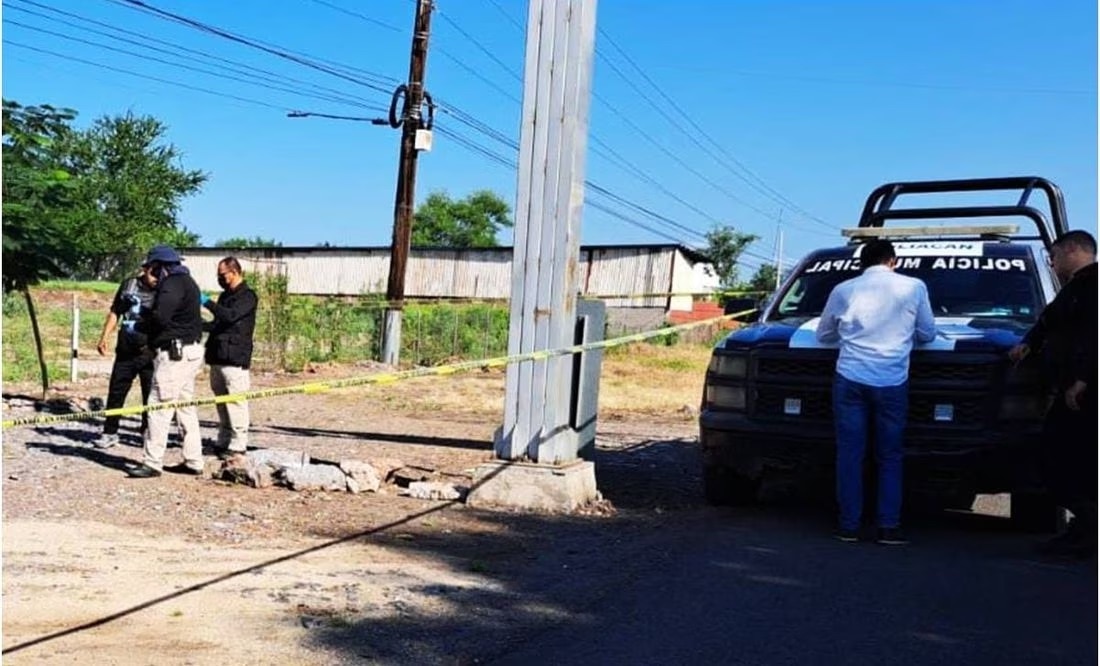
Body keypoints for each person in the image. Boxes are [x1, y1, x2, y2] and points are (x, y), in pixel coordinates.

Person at [815, 239, 936, 545]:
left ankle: (848, 526)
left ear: (861, 263)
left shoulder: (843, 290)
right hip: (893, 380)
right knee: (890, 455)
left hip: (850, 377)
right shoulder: (914, 287)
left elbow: (824, 334)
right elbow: (927, 333)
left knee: (850, 454)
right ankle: (888, 526)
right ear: (893, 261)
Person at [1008, 230, 1097, 557]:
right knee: (1062, 459)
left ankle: (1088, 531)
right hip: (1069, 389)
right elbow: (1048, 321)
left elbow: (1094, 335)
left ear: (1073, 250)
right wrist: (1028, 343)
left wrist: (1083, 379)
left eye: (1055, 255)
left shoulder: (1093, 288)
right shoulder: (1074, 288)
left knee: (1061, 460)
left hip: (1084, 392)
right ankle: (1083, 529)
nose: (1052, 261)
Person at [127, 244, 206, 478]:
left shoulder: (171, 284)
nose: (150, 273)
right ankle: (194, 460)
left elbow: (161, 318)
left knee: (158, 405)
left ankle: (152, 462)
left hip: (174, 354)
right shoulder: (188, 282)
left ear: (161, 266)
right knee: (184, 407)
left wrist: (141, 322)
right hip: (188, 351)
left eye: (152, 267)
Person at [94, 264, 157, 448]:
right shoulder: (129, 285)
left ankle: (147, 431)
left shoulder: (164, 289)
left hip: (150, 350)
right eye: (153, 272)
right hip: (126, 350)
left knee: (150, 394)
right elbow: (116, 311)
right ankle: (110, 432)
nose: (156, 277)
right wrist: (104, 336)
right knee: (116, 391)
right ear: (145, 270)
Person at [203, 257, 258, 458]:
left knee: (236, 402)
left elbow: (230, 316)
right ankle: (223, 438)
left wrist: (207, 302)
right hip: (218, 356)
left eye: (222, 275)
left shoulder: (248, 296)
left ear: (234, 272)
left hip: (235, 358)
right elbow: (218, 323)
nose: (220, 278)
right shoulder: (224, 296)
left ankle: (238, 444)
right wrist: (197, 325)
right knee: (221, 401)